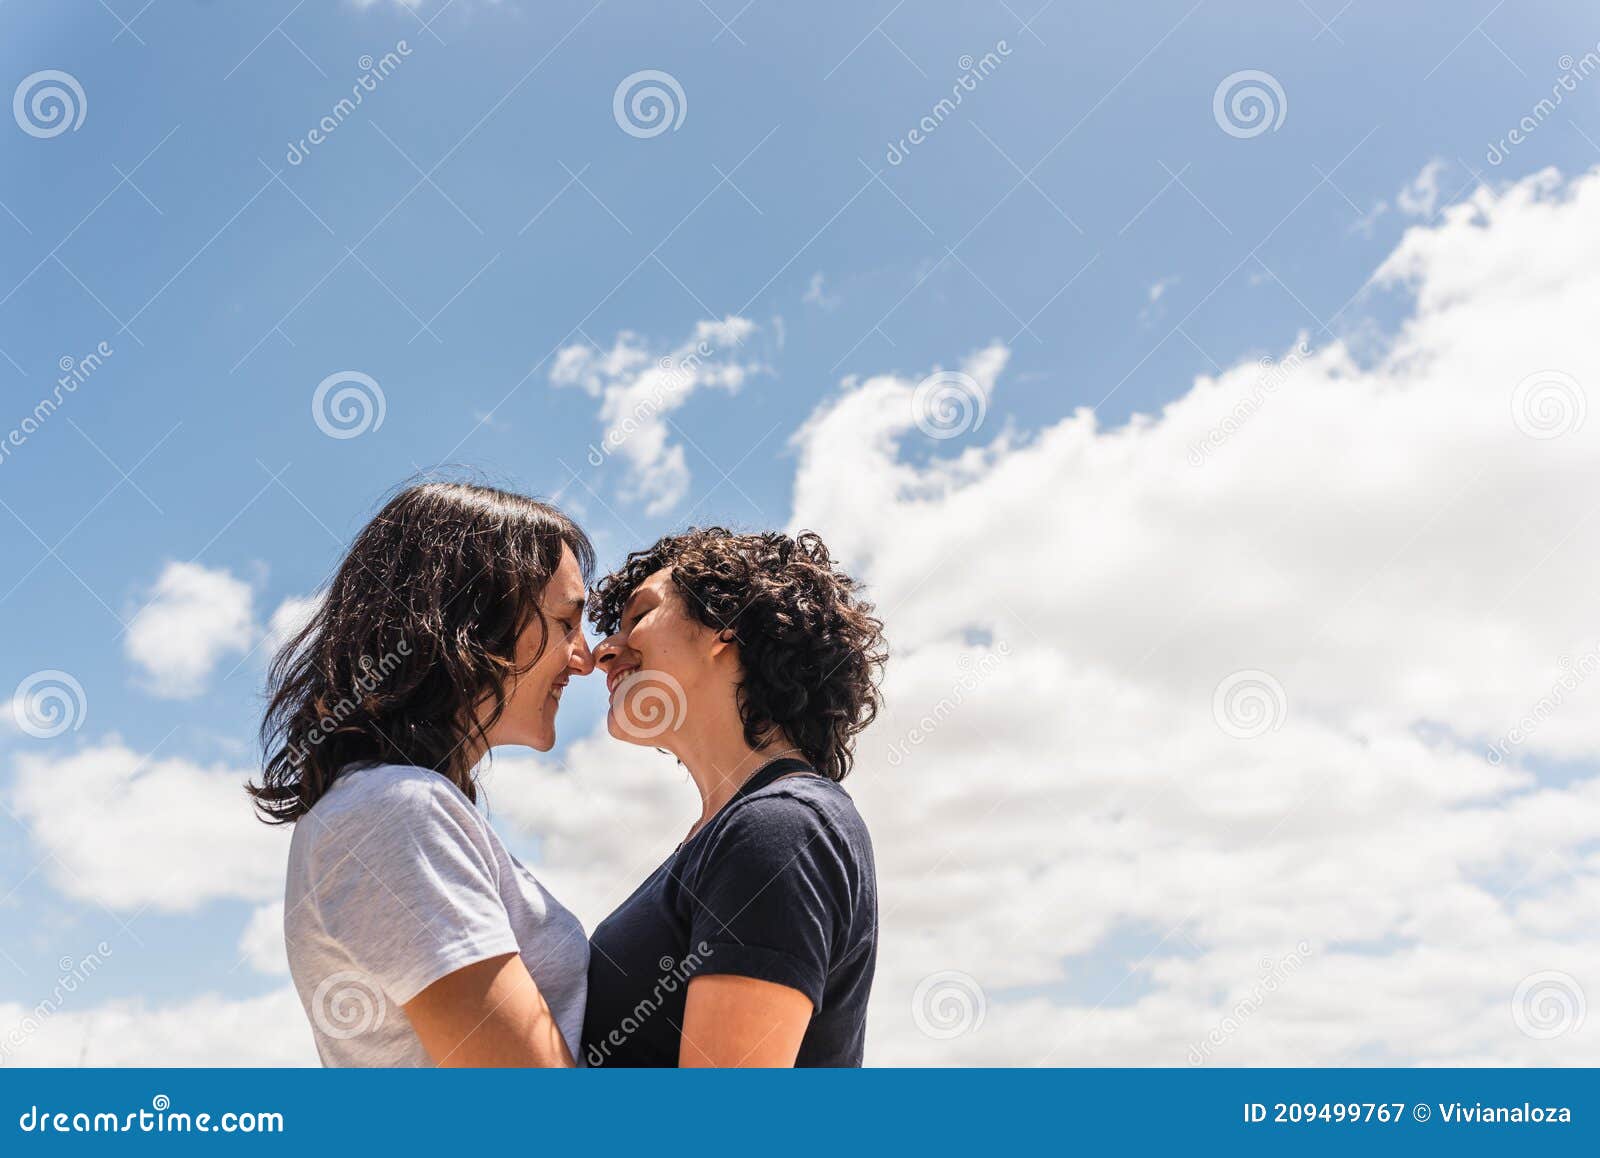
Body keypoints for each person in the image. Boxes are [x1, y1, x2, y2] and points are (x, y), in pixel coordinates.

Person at [248, 482, 595, 1067]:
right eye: (566, 622)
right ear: (477, 622)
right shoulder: (395, 810)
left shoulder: (396, 806)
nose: (583, 656)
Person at [581, 527, 887, 1067]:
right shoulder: (742, 829)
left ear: (726, 623)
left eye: (639, 617)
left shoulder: (782, 828)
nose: (604, 652)